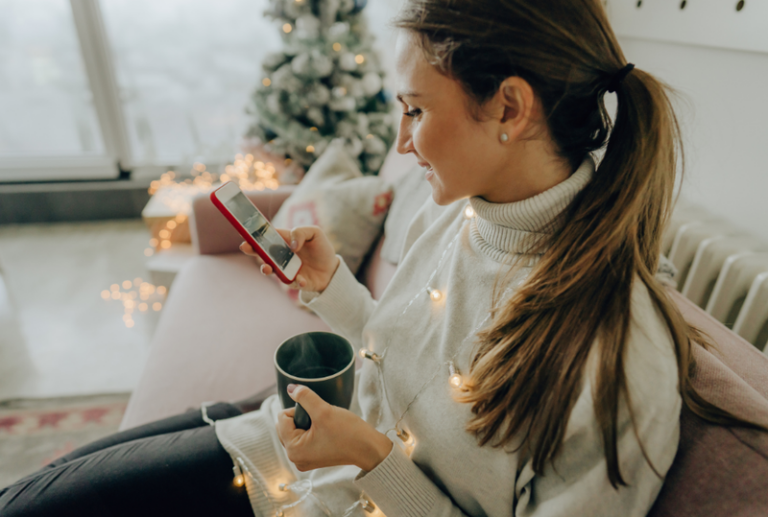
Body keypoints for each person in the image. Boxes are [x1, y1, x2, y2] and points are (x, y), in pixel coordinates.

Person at [1, 1, 759, 515]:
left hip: (314, 487)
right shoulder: (462, 214)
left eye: (417, 110)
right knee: (38, 489)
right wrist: (331, 287)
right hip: (293, 440)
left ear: (510, 107)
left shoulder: (620, 361)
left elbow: (408, 429)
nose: (401, 143)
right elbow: (406, 362)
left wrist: (369, 458)